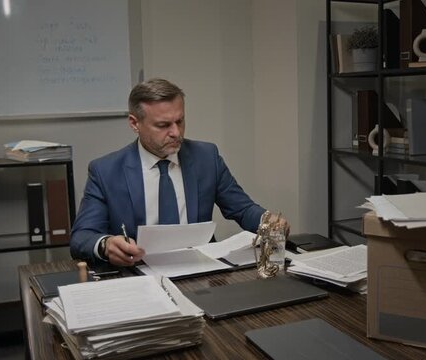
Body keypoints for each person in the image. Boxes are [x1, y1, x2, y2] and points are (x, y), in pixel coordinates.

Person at [70, 78, 288, 266]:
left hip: (201, 271)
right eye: (163, 125)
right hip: (139, 273)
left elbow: (242, 209)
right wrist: (106, 244)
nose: (175, 133)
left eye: (180, 121)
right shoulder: (106, 171)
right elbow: (82, 236)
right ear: (134, 123)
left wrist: (268, 221)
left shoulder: (206, 158)